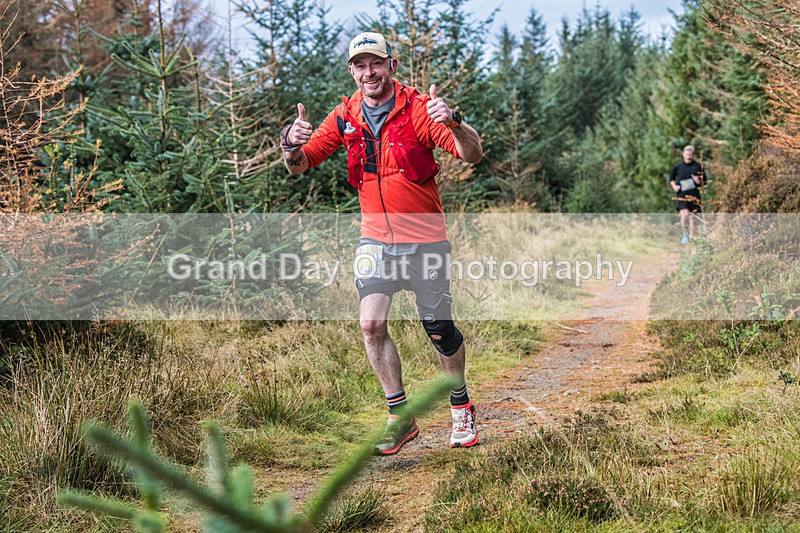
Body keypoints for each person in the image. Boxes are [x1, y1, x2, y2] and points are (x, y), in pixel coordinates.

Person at [279, 32, 484, 455]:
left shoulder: (420, 111)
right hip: (375, 239)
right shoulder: (345, 115)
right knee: (370, 325)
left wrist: (455, 122)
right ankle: (400, 416)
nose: (368, 72)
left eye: (376, 63)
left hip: (425, 240)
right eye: (360, 65)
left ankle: (460, 404)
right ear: (352, 71)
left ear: (391, 65)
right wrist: (289, 144)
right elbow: (300, 164)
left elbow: (472, 155)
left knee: (438, 329)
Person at [669, 145, 706, 244]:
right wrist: (674, 187)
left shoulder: (698, 166)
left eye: (690, 155)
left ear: (692, 155)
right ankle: (685, 234)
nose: (688, 157)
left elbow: (704, 181)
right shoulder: (678, 166)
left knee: (693, 218)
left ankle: (692, 237)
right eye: (686, 155)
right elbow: (671, 179)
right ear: (683, 154)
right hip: (682, 196)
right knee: (684, 215)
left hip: (694, 196)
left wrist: (698, 181)